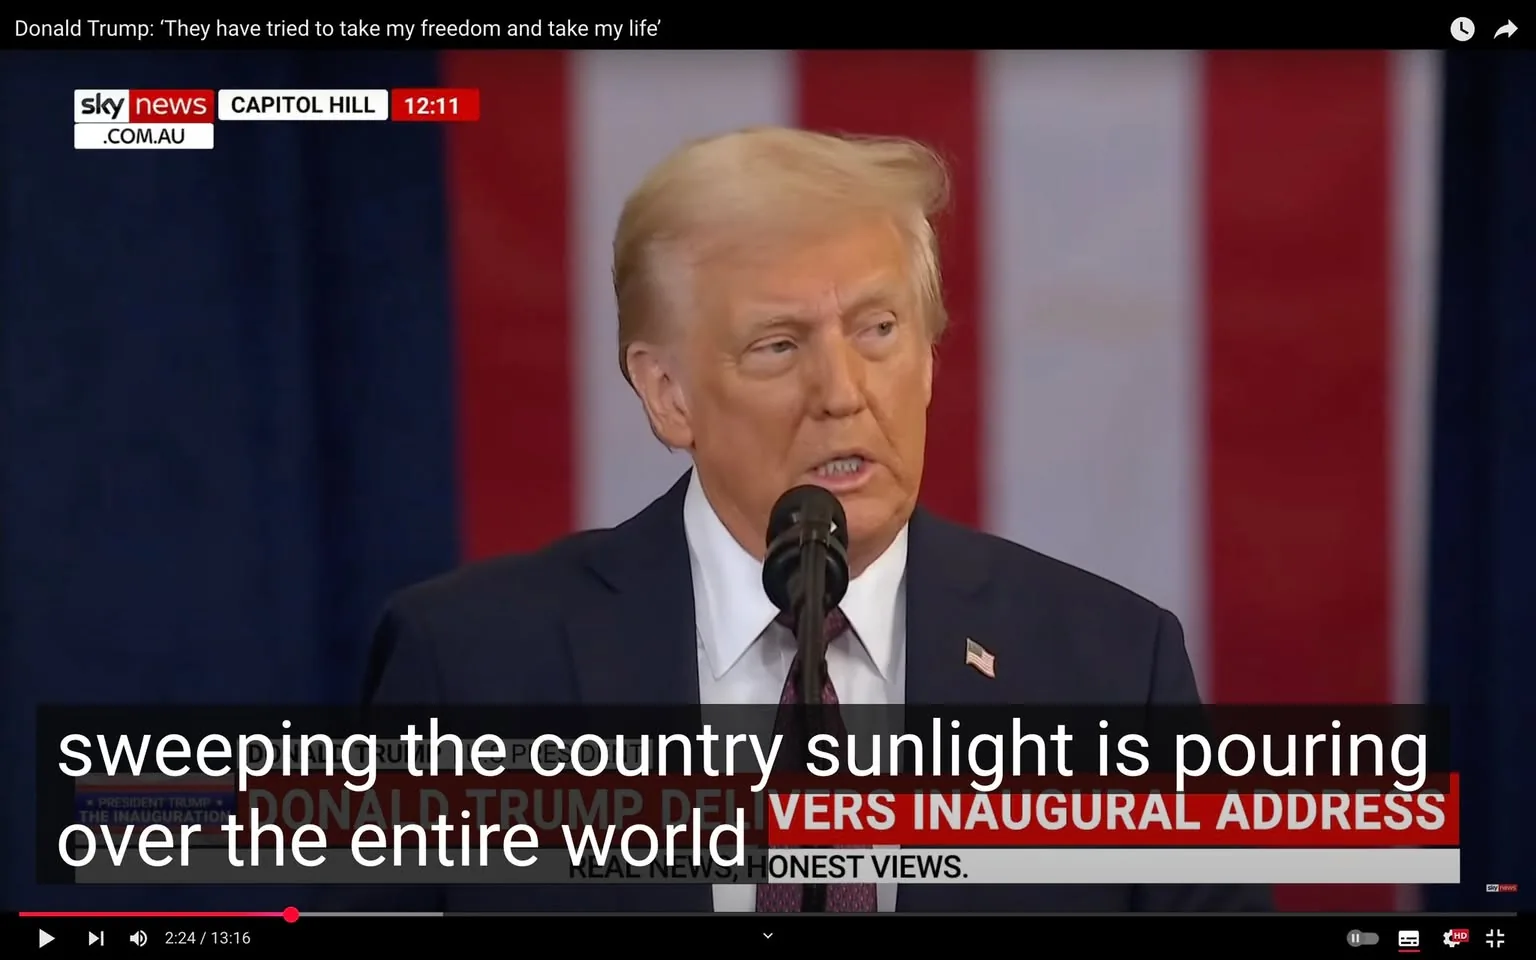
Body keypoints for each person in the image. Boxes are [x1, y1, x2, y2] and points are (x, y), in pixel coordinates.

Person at [354, 127, 1268, 913]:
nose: (843, 394)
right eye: (779, 345)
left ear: (930, 358)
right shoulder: (469, 668)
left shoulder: (1110, 671)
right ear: (667, 394)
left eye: (879, 330)